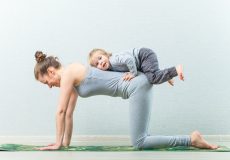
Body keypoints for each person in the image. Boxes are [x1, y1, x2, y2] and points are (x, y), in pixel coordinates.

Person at [34, 51, 218, 150]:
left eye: (46, 82)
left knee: (140, 142)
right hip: (137, 85)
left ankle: (191, 140)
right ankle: (191, 139)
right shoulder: (72, 80)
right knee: (141, 139)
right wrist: (64, 143)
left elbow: (59, 111)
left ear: (51, 71)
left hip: (136, 86)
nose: (50, 86)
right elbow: (67, 114)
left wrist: (57, 143)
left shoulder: (68, 73)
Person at [88, 47, 184, 86]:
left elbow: (129, 59)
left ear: (106, 55)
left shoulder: (113, 60)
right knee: (149, 73)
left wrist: (133, 73)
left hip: (144, 56)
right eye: (97, 64)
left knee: (152, 79)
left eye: (100, 58)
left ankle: (175, 69)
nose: (100, 63)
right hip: (141, 62)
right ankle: (166, 75)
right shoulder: (110, 68)